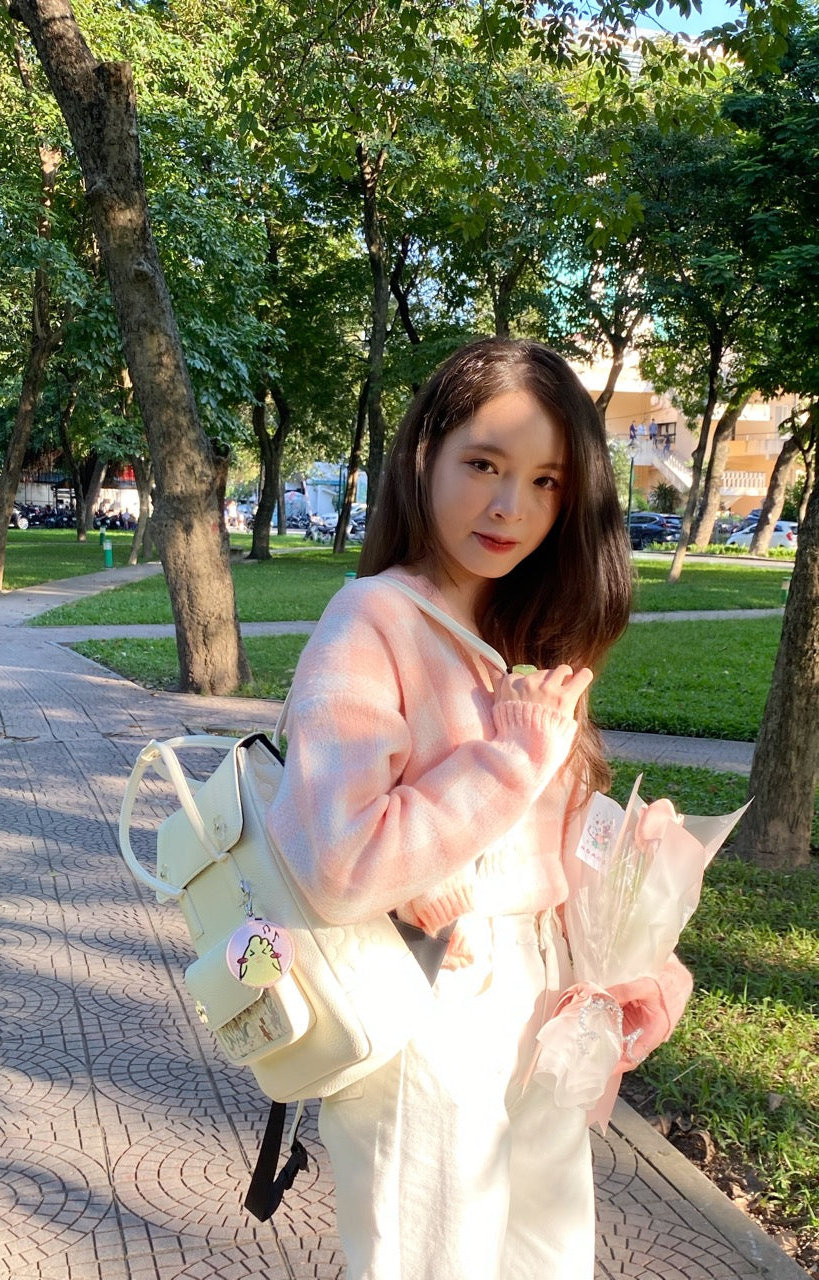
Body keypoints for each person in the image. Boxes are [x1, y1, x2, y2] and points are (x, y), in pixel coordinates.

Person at [267, 338, 689, 1280]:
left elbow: (541, 839)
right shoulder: (369, 621)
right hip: (433, 1003)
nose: (510, 507)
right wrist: (508, 757)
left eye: (544, 482)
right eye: (485, 465)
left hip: (544, 1005)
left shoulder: (527, 631)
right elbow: (340, 862)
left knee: (547, 1257)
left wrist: (632, 923)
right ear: (425, 457)